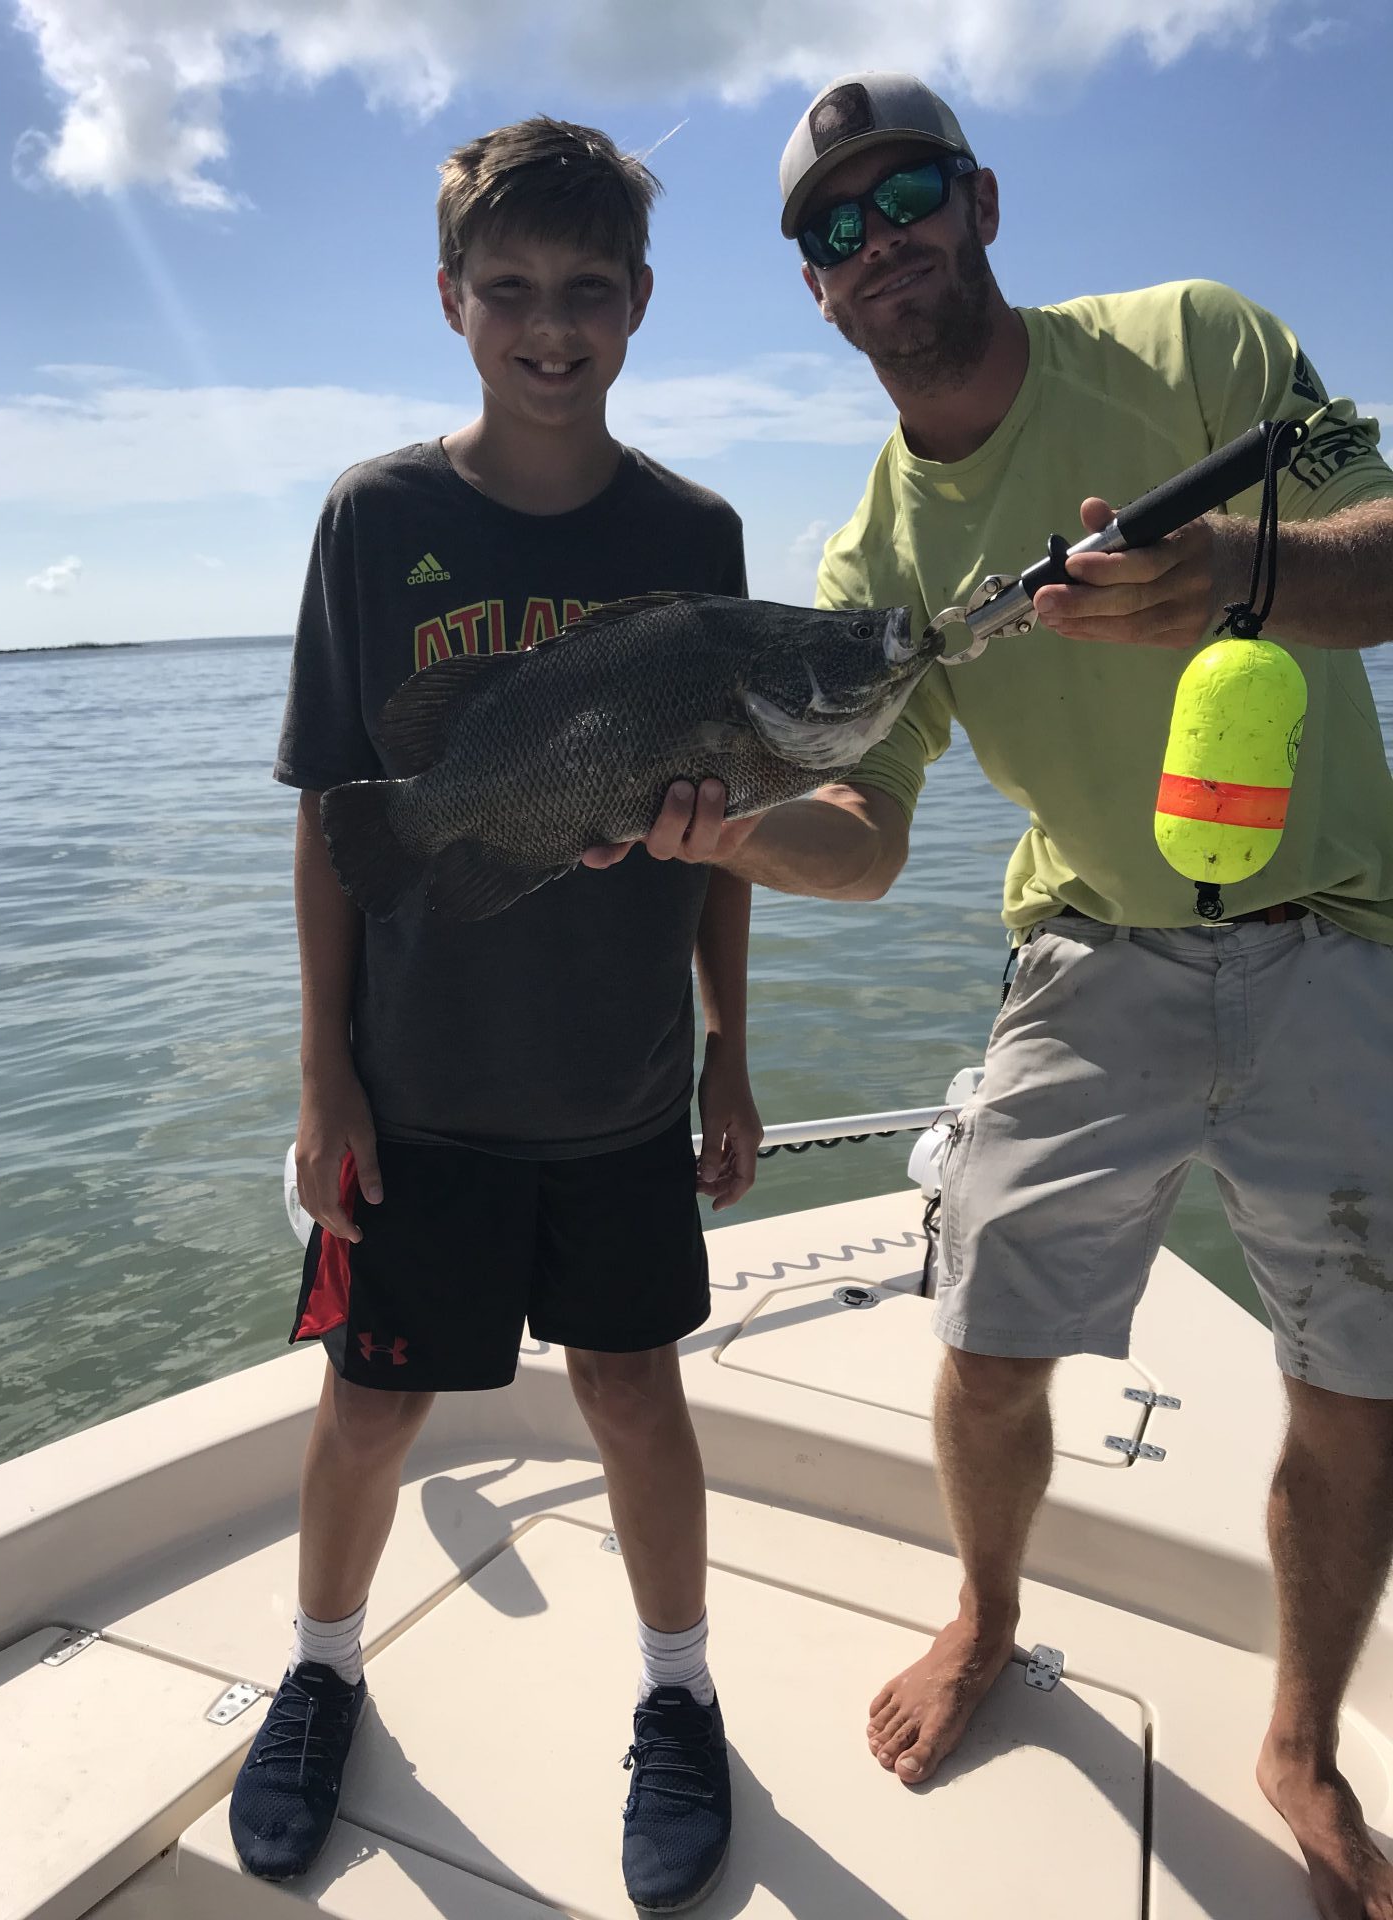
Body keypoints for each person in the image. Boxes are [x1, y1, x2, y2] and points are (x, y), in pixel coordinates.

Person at [588, 72, 1393, 1920]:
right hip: (1092, 952)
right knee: (987, 1340)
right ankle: (987, 1616)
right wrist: (707, 834)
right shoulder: (878, 551)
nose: (884, 248)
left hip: (1341, 931)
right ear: (814, 292)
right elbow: (866, 831)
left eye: (913, 197)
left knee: (1356, 1382)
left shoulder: (1197, 344)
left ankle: (1301, 1741)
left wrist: (1230, 575)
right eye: (835, 232)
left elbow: (1392, 548)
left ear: (987, 200)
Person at [230, 116, 759, 1911]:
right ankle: (319, 1670)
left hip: (618, 1090)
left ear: (641, 306)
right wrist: (324, 1077)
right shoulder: (377, 519)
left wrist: (729, 1060)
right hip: (420, 1087)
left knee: (635, 1391)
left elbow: (731, 836)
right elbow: (333, 814)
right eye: (512, 290)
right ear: (452, 300)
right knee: (371, 1411)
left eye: (587, 291)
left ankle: (679, 1699)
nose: (551, 326)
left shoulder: (696, 532)